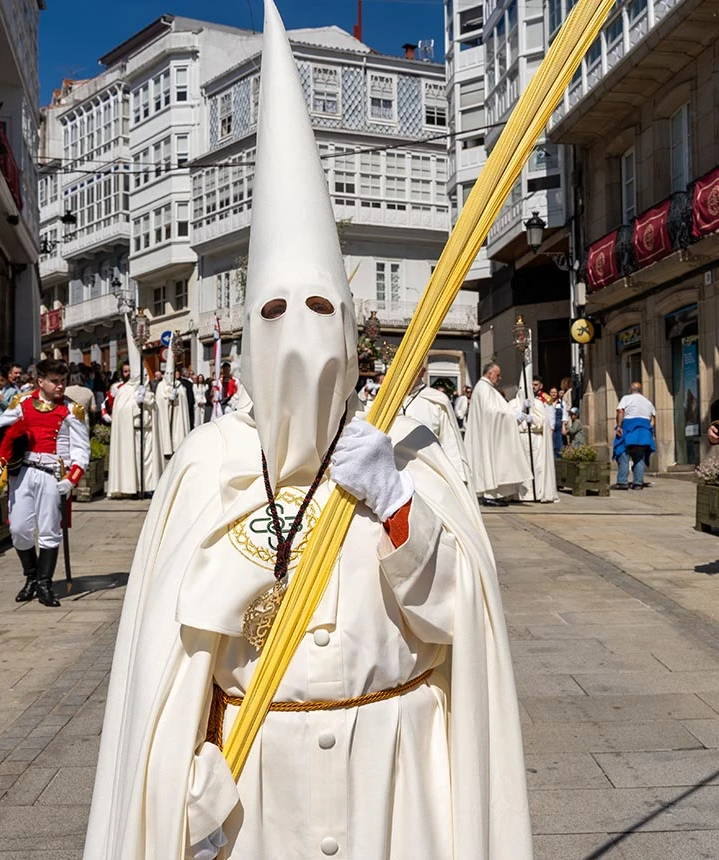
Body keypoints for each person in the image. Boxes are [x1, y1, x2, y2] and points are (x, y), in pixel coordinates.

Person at [83, 5, 532, 857]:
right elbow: (164, 671)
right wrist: (180, 783)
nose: (298, 336)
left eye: (321, 309)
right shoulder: (207, 462)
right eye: (274, 312)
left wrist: (399, 509)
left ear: (352, 328)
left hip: (397, 785)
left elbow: (463, 623)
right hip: (256, 793)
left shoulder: (408, 446)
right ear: (245, 335)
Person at [0, 360, 90, 606]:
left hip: (53, 474)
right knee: (19, 528)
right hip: (24, 473)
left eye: (63, 381)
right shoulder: (23, 402)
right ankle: (30, 577)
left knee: (49, 529)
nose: (60, 386)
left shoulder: (72, 410)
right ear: (40, 381)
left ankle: (44, 584)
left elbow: (82, 450)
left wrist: (71, 479)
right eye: (55, 381)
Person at [106, 321, 163, 498]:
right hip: (131, 432)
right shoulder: (123, 391)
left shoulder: (146, 388)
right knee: (133, 459)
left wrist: (146, 398)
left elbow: (154, 407)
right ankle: (133, 487)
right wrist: (134, 403)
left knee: (148, 460)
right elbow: (121, 412)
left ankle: (148, 486)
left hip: (147, 430)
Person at [464, 363, 534, 506]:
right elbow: (490, 411)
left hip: (490, 433)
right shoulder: (484, 388)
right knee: (489, 461)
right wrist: (512, 416)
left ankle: (492, 494)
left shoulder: (486, 388)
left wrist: (516, 411)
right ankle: (489, 495)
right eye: (498, 375)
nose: (500, 378)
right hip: (487, 435)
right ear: (489, 374)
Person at [401, 367, 470, 486]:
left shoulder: (437, 401)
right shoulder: (388, 399)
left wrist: (457, 477)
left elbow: (449, 441)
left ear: (422, 372)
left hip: (428, 475)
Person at [613, 381, 656, 490]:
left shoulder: (626, 398)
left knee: (623, 454)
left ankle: (622, 482)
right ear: (640, 391)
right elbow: (652, 420)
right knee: (639, 457)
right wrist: (648, 430)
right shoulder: (648, 402)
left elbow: (620, 411)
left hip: (629, 429)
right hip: (643, 433)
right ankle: (638, 483)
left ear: (630, 390)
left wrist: (619, 426)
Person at [154, 349, 191, 458]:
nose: (170, 376)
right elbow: (159, 399)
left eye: (172, 373)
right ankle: (166, 449)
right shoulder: (161, 385)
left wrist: (178, 395)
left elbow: (183, 397)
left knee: (177, 429)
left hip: (176, 414)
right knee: (166, 430)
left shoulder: (178, 384)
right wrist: (167, 398)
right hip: (166, 415)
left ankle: (177, 447)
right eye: (168, 373)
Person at [547, 386, 568, 458]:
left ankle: (559, 458)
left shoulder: (562, 403)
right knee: (551, 443)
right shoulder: (547, 403)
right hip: (550, 426)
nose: (553, 394)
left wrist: (564, 427)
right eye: (552, 392)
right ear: (549, 393)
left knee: (559, 443)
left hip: (559, 426)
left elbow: (565, 414)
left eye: (555, 392)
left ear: (557, 393)